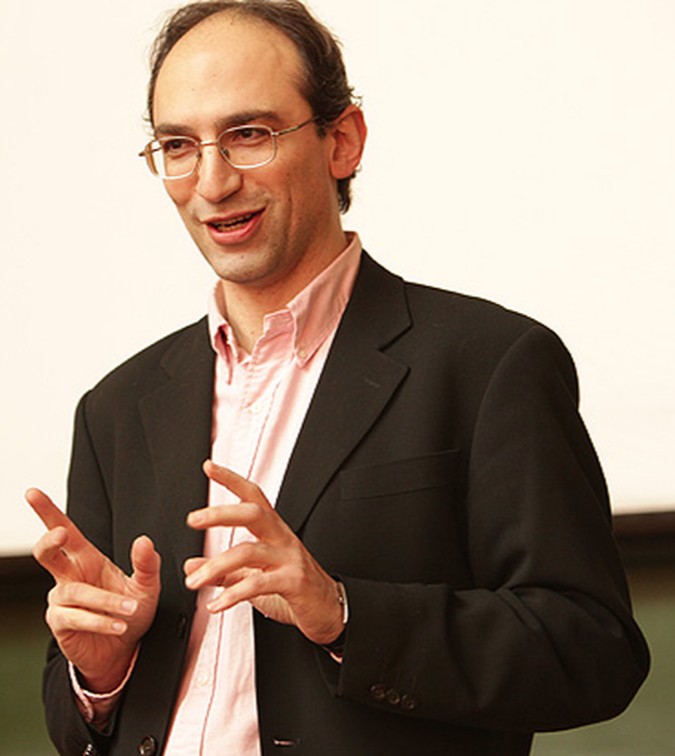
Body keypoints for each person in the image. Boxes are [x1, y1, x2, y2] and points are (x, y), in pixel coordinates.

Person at [27, 1, 649, 754]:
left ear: (342, 140)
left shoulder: (490, 363)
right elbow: (76, 723)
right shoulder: (116, 408)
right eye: (179, 145)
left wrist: (344, 613)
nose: (212, 182)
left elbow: (590, 651)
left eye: (249, 134)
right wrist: (98, 675)